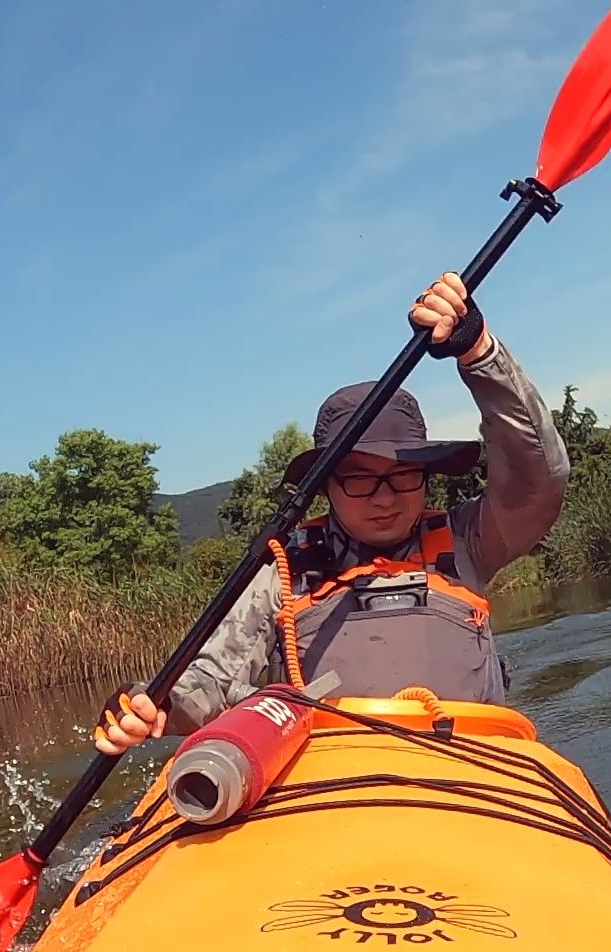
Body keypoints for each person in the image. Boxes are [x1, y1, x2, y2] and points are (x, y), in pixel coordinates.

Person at [94, 271, 569, 755]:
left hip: (471, 773)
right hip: (333, 787)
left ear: (427, 476)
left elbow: (540, 478)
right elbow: (212, 683)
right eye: (359, 478)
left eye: (402, 473)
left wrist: (478, 353)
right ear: (325, 488)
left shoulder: (469, 541)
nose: (383, 498)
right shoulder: (283, 571)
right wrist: (153, 705)